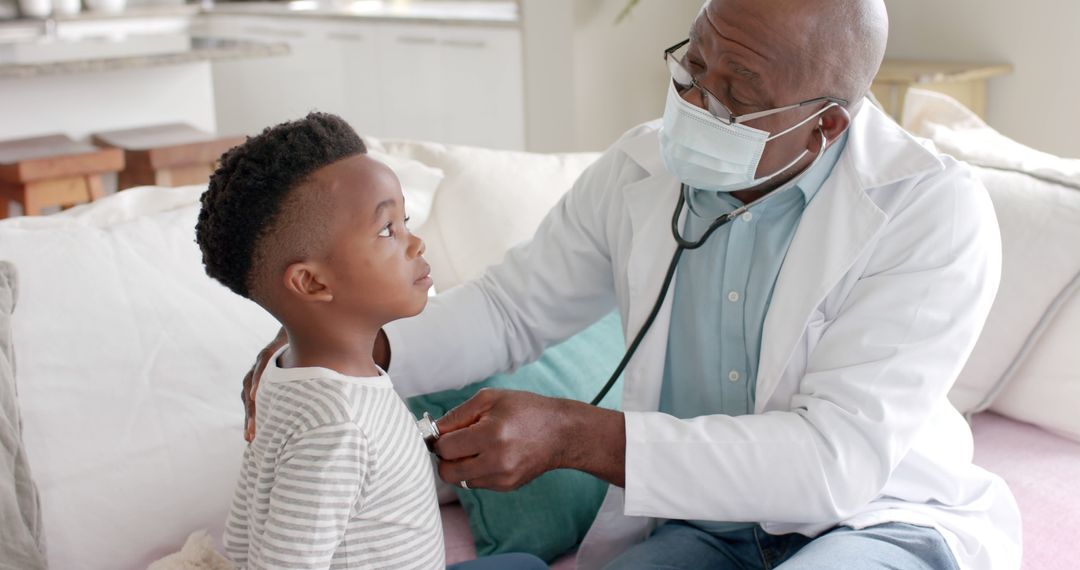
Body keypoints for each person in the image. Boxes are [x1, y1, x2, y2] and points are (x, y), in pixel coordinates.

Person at [243, 0, 1022, 568]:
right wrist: (343, 350)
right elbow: (514, 310)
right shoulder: (639, 168)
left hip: (870, 522)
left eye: (738, 91)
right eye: (693, 62)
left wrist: (578, 437)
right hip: (699, 525)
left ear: (824, 126)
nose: (695, 99)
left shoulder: (929, 214)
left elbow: (831, 464)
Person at [197, 112, 547, 570]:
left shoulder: (282, 376)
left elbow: (244, 527)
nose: (416, 243)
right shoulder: (339, 427)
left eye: (406, 219)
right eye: (387, 230)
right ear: (312, 283)